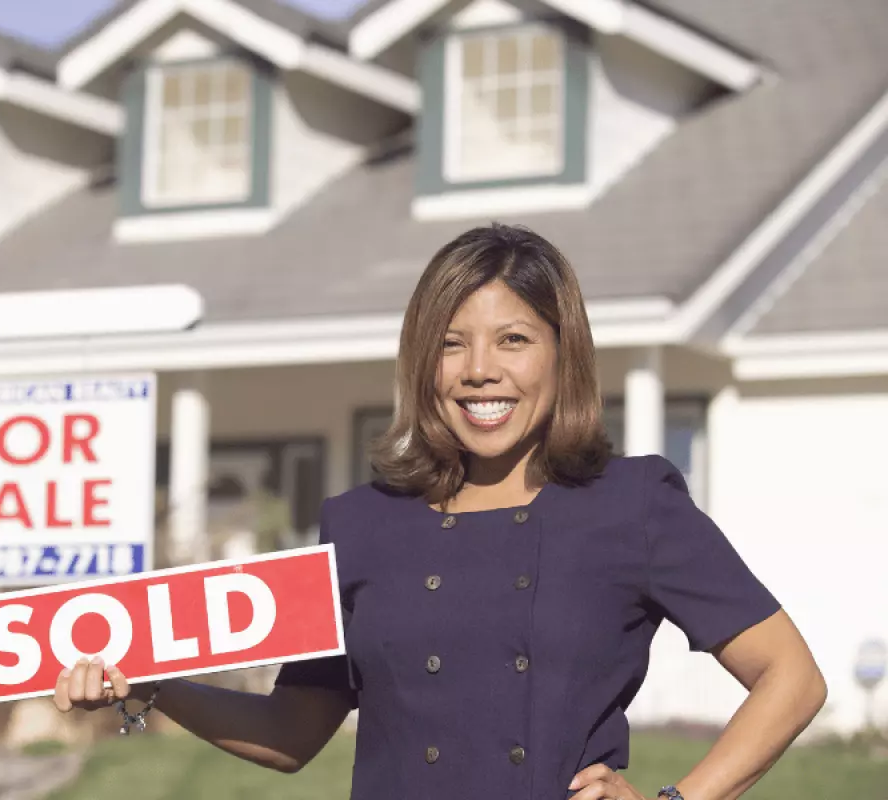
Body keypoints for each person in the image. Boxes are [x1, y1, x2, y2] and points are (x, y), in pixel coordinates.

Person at [53, 224, 827, 799]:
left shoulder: (632, 504)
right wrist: (145, 686)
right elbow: (292, 734)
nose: (480, 371)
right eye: (452, 345)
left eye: (513, 339)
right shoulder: (360, 525)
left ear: (564, 355)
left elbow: (790, 677)